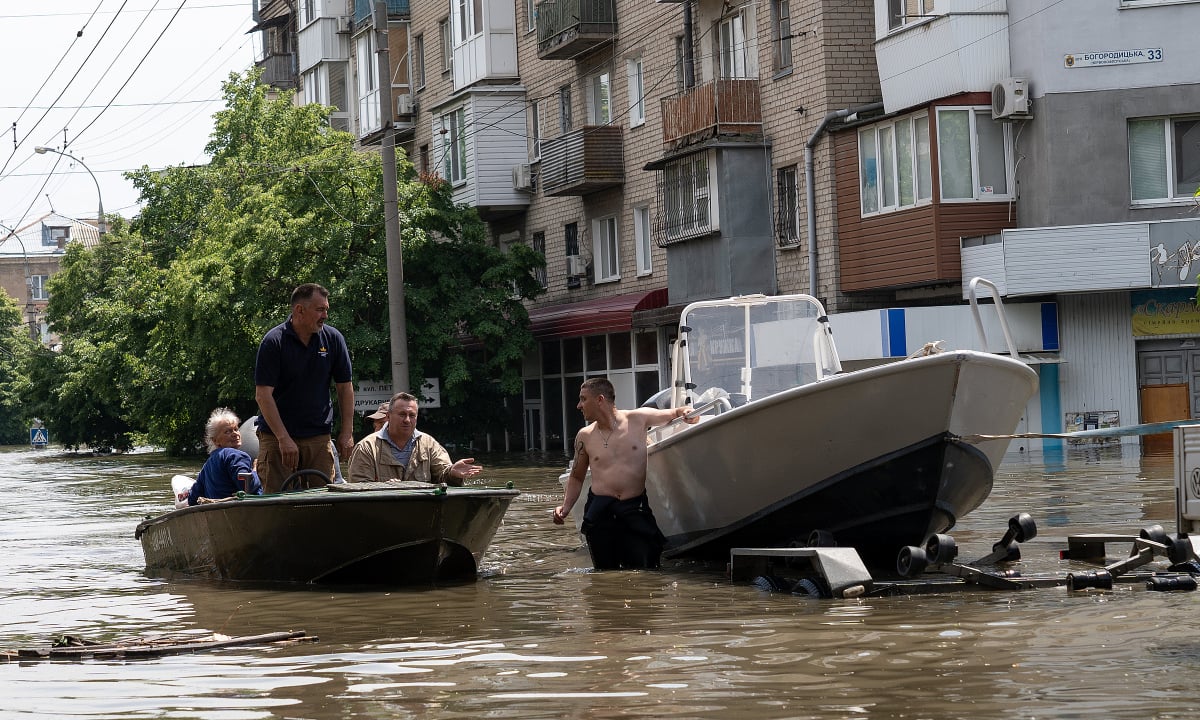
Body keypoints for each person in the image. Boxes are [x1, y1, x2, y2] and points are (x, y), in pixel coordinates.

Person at [553, 377, 697, 570]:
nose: (579, 405)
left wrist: (688, 412)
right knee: (604, 574)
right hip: (600, 510)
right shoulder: (584, 436)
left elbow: (675, 412)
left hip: (634, 507)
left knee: (647, 569)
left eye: (583, 399)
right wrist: (565, 507)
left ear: (600, 399)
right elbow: (577, 476)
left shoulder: (638, 419)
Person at [254, 283, 355, 493]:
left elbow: (345, 387)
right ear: (299, 310)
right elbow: (263, 396)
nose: (325, 315)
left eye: (327, 309)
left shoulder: (333, 339)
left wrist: (347, 432)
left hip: (318, 435)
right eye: (320, 309)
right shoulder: (274, 342)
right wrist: (283, 438)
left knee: (323, 503)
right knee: (278, 502)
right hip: (276, 436)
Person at [348, 391, 482, 485]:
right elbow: (358, 489)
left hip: (422, 513)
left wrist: (452, 473)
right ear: (388, 416)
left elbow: (443, 477)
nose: (407, 420)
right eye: (402, 414)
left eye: (411, 415)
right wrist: (385, 488)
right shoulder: (366, 447)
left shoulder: (428, 444)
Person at [187, 408, 263, 505]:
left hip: (215, 513)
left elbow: (193, 498)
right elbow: (248, 487)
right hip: (240, 512)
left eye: (236, 429)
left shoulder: (207, 465)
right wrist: (256, 470)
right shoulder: (234, 455)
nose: (235, 434)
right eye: (228, 432)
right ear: (215, 441)